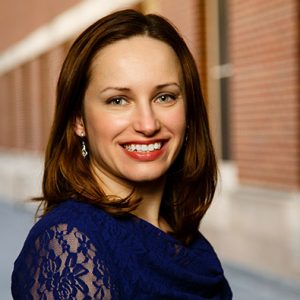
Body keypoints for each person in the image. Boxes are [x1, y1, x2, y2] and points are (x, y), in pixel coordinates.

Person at [11, 9, 232, 299]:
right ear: (79, 120)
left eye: (164, 97)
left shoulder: (186, 239)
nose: (148, 124)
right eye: (118, 100)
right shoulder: (71, 244)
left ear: (188, 112)